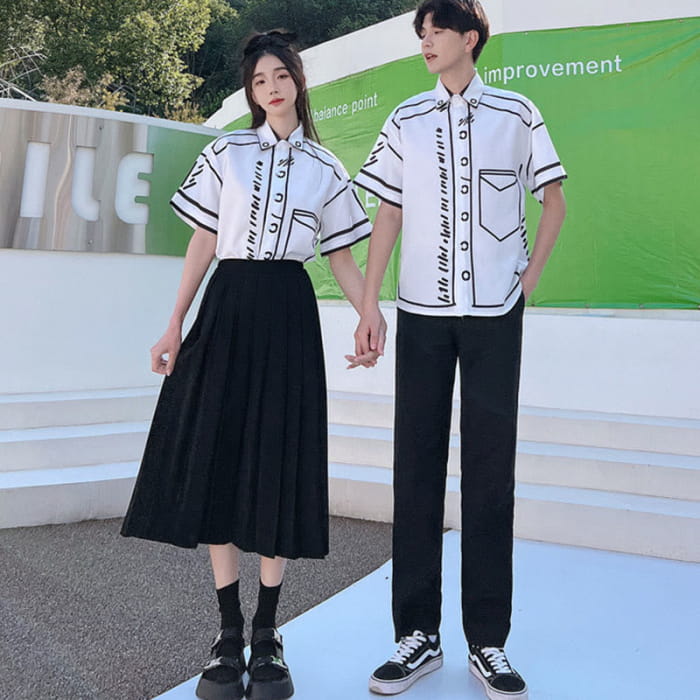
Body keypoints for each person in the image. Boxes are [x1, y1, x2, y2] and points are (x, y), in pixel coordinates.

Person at [121, 30, 380, 700]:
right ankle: (227, 633)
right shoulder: (225, 153)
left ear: (297, 81)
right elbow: (204, 241)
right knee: (219, 455)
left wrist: (370, 314)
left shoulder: (326, 167)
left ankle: (268, 633)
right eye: (260, 79)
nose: (271, 87)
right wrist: (174, 324)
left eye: (280, 75)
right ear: (251, 91)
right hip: (228, 305)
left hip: (288, 311)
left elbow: (342, 257)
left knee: (277, 460)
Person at [352, 1, 567, 698]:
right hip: (421, 314)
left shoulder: (516, 113)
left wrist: (527, 280)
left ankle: (489, 642)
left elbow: (553, 200)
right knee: (414, 469)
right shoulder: (405, 120)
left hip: (494, 316)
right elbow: (387, 211)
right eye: (421, 32)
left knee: (490, 474)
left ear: (470, 38)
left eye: (437, 30)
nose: (426, 41)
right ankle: (417, 636)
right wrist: (369, 304)